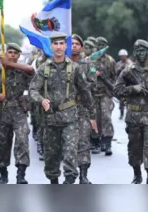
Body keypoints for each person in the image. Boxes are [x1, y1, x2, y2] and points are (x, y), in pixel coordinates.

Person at [29, 32, 96, 184]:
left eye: (61, 44)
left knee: (70, 152)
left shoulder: (75, 68)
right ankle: (54, 183)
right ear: (51, 46)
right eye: (55, 44)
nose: (58, 47)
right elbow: (32, 89)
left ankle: (70, 181)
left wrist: (92, 117)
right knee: (51, 157)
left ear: (65, 46)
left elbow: (86, 93)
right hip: (50, 119)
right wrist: (41, 100)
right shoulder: (43, 69)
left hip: (70, 118)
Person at [114, 39, 148, 184]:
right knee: (134, 147)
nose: (141, 53)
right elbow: (117, 90)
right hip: (133, 116)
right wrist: (132, 89)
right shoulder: (127, 72)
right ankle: (137, 174)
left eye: (143, 50)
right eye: (138, 50)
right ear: (134, 52)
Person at [0, 43, 34, 184]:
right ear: (5, 53)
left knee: (22, 140)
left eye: (15, 53)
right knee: (2, 144)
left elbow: (32, 71)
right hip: (2, 111)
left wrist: (10, 64)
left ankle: (21, 175)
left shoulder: (23, 71)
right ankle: (3, 174)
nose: (12, 55)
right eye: (10, 52)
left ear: (19, 56)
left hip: (19, 111)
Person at [70, 34, 98, 184]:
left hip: (82, 107)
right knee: (67, 143)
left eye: (77, 44)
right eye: (72, 43)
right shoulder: (62, 63)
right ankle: (69, 173)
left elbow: (93, 84)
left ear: (81, 47)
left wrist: (79, 83)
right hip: (65, 109)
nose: (74, 46)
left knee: (83, 141)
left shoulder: (88, 65)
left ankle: (83, 174)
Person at [91, 37, 118, 155]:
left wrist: (112, 88)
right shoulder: (90, 60)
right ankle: (96, 142)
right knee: (95, 118)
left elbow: (115, 78)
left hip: (105, 93)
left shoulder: (111, 61)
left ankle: (107, 143)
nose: (100, 47)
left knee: (106, 117)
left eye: (102, 45)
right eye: (98, 45)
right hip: (93, 94)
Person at [115, 49, 131, 120]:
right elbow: (115, 72)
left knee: (129, 100)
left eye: (124, 56)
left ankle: (129, 113)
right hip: (121, 84)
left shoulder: (130, 63)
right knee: (121, 100)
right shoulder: (118, 64)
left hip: (129, 84)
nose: (123, 57)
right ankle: (121, 114)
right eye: (121, 56)